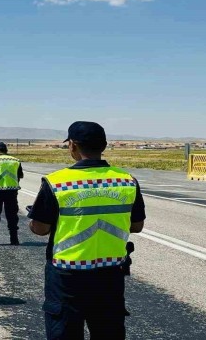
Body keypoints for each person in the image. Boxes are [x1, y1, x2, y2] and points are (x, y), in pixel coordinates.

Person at [28, 121, 146, 339]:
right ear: (104, 145)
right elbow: (137, 226)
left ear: (72, 145)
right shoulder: (127, 181)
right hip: (110, 275)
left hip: (67, 277)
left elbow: (39, 228)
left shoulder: (57, 182)